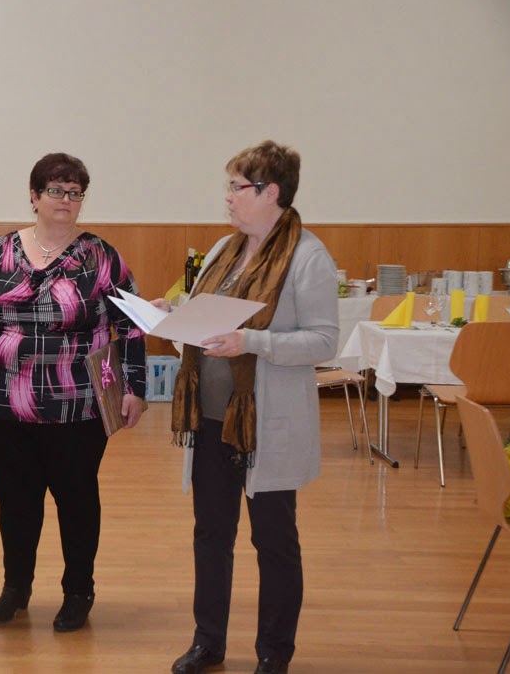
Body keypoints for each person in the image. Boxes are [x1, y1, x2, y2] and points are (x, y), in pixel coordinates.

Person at [159, 141, 337, 674]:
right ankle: (208, 642)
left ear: (270, 192)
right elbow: (203, 316)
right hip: (212, 419)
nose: (229, 197)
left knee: (274, 542)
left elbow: (324, 342)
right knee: (211, 535)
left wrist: (252, 342)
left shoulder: (308, 257)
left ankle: (274, 653)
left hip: (266, 426)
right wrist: (169, 314)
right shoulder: (224, 249)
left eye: (237, 187)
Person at [0, 152, 147, 633]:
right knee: (15, 501)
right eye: (56, 190)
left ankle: (78, 591)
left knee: (77, 500)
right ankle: (15, 588)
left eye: (75, 192)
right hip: (2, 400)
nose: (66, 199)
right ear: (34, 196)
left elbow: (133, 325)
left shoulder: (101, 257)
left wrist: (135, 388)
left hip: (77, 402)